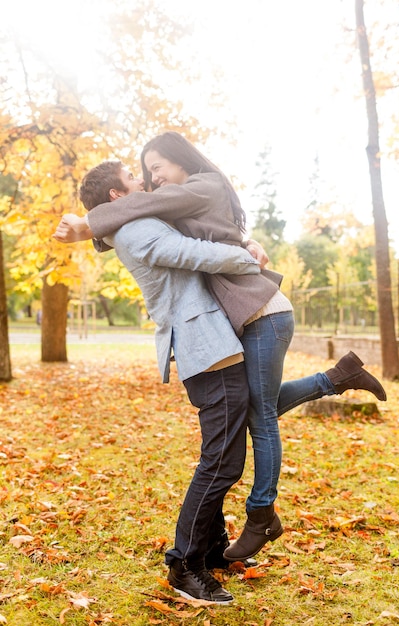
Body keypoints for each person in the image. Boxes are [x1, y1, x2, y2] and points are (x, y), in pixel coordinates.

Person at [54, 142, 387, 564]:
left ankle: (260, 513)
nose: (150, 179)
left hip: (262, 311)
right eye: (140, 174)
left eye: (155, 168)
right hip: (235, 322)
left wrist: (88, 226)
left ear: (179, 159)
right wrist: (245, 247)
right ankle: (338, 378)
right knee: (250, 414)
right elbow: (161, 233)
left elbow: (179, 233)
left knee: (256, 417)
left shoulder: (201, 184)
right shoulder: (145, 221)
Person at [55, 163, 269, 604]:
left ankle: (210, 548)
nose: (145, 186)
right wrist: (248, 258)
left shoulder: (129, 227)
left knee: (221, 452)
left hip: (207, 344)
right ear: (118, 196)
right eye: (134, 182)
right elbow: (193, 253)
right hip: (205, 346)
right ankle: (183, 564)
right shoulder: (135, 230)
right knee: (222, 461)